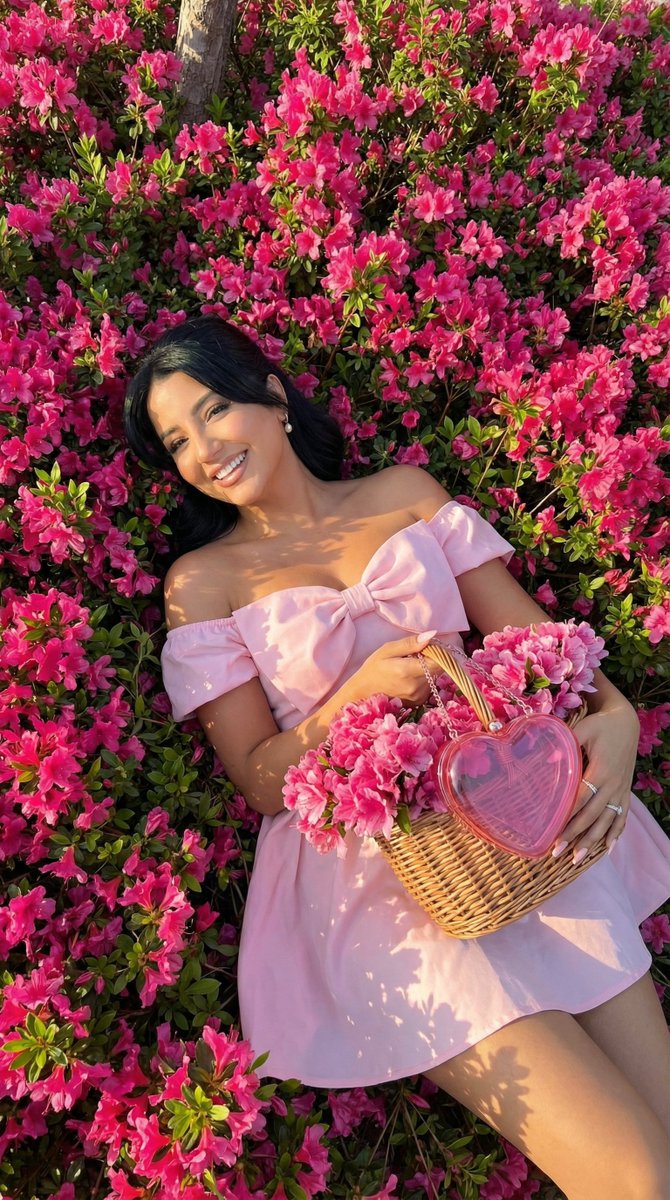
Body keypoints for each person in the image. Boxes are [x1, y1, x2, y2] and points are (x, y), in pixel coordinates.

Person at [124, 315, 670, 1200]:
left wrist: (620, 720)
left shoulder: (405, 494)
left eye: (213, 409)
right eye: (177, 442)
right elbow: (259, 779)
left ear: (272, 394)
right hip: (376, 883)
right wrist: (358, 694)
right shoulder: (203, 582)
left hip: (518, 822)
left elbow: (544, 648)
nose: (204, 449)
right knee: (633, 1173)